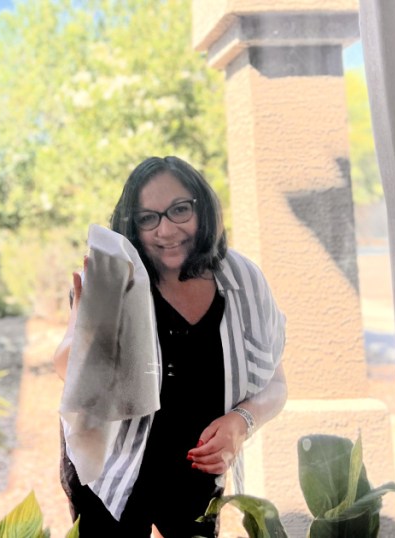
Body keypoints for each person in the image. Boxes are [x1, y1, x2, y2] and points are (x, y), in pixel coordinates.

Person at [54, 156, 288, 537]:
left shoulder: (244, 280)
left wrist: (241, 422)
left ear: (202, 207)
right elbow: (67, 371)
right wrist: (85, 330)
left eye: (179, 210)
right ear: (133, 224)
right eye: (148, 218)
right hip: (111, 471)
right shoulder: (114, 280)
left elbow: (275, 385)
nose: (166, 230)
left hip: (197, 471)